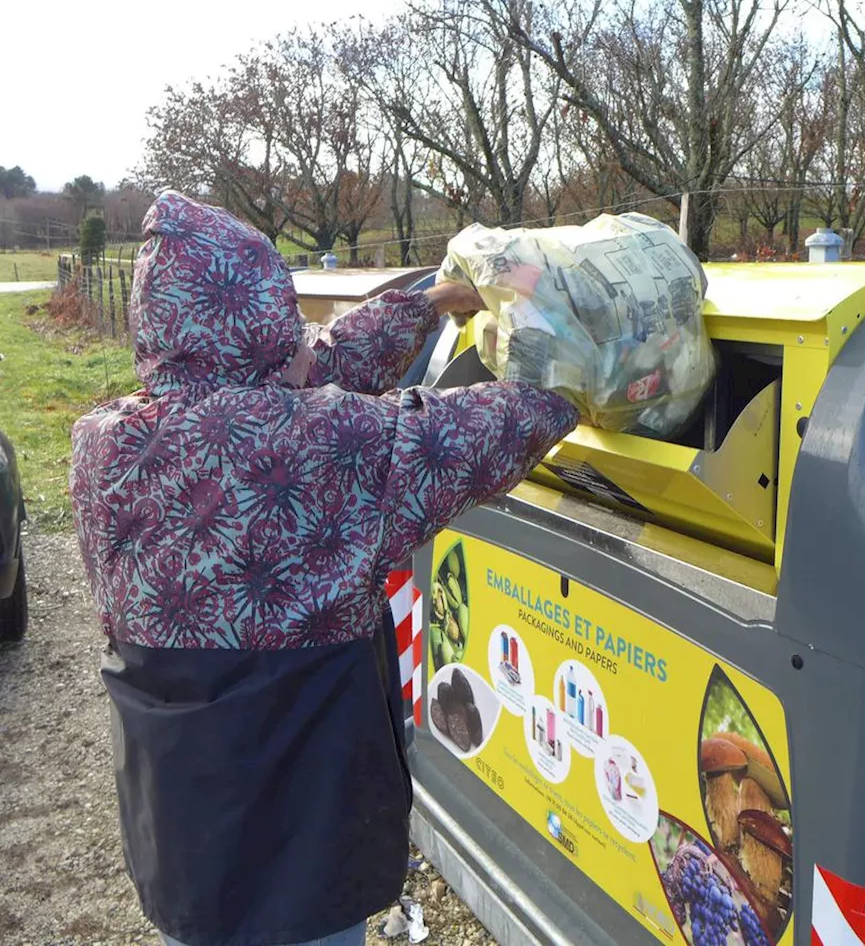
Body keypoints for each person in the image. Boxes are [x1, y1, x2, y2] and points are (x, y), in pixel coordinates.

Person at [69, 191, 579, 946]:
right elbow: (486, 428)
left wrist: (431, 302)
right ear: (260, 322)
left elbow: (305, 369)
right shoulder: (326, 448)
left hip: (183, 844)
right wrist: (581, 365)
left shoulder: (101, 447)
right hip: (303, 851)